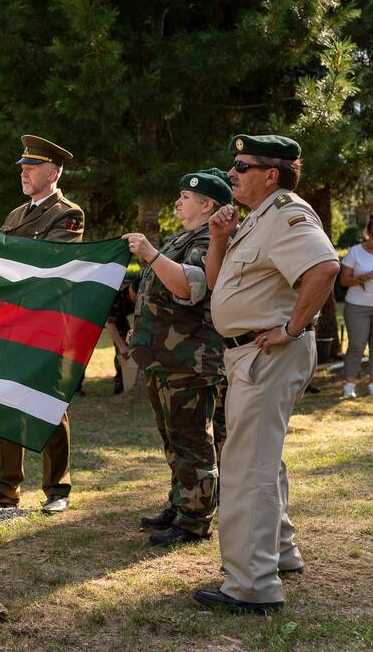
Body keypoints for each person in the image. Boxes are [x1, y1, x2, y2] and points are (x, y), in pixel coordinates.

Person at [193, 134, 339, 614]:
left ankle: (253, 585)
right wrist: (219, 238)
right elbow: (217, 284)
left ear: (270, 174)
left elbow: (324, 267)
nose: (231, 173)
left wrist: (293, 328)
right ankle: (279, 552)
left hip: (265, 354)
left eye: (241, 165)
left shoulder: (287, 214)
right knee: (261, 456)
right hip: (248, 355)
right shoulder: (256, 219)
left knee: (246, 466)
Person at [0, 134, 84, 515]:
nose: (24, 173)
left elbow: (45, 260)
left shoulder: (68, 213)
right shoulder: (16, 215)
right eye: (23, 167)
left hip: (44, 323)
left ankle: (57, 488)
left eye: (32, 167)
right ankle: (6, 486)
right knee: (6, 400)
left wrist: (0, 246)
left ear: (54, 171)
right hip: (10, 322)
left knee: (47, 404)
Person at [122, 170, 231, 546]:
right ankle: (179, 503)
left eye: (186, 197)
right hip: (163, 359)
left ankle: (194, 519)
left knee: (192, 442)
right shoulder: (181, 238)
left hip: (190, 360)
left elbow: (191, 286)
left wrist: (150, 254)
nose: (178, 202)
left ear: (208, 205)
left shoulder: (208, 241)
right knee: (172, 439)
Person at [338, 211, 373, 398]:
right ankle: (349, 386)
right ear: (368, 234)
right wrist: (361, 278)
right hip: (357, 307)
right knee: (356, 345)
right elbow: (343, 281)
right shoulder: (355, 252)